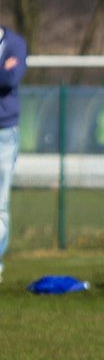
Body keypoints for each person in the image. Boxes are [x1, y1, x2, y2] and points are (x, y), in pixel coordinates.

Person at [0, 23, 27, 281]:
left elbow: (10, 78)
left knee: (0, 204)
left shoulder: (15, 43)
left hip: (5, 133)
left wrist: (5, 72)